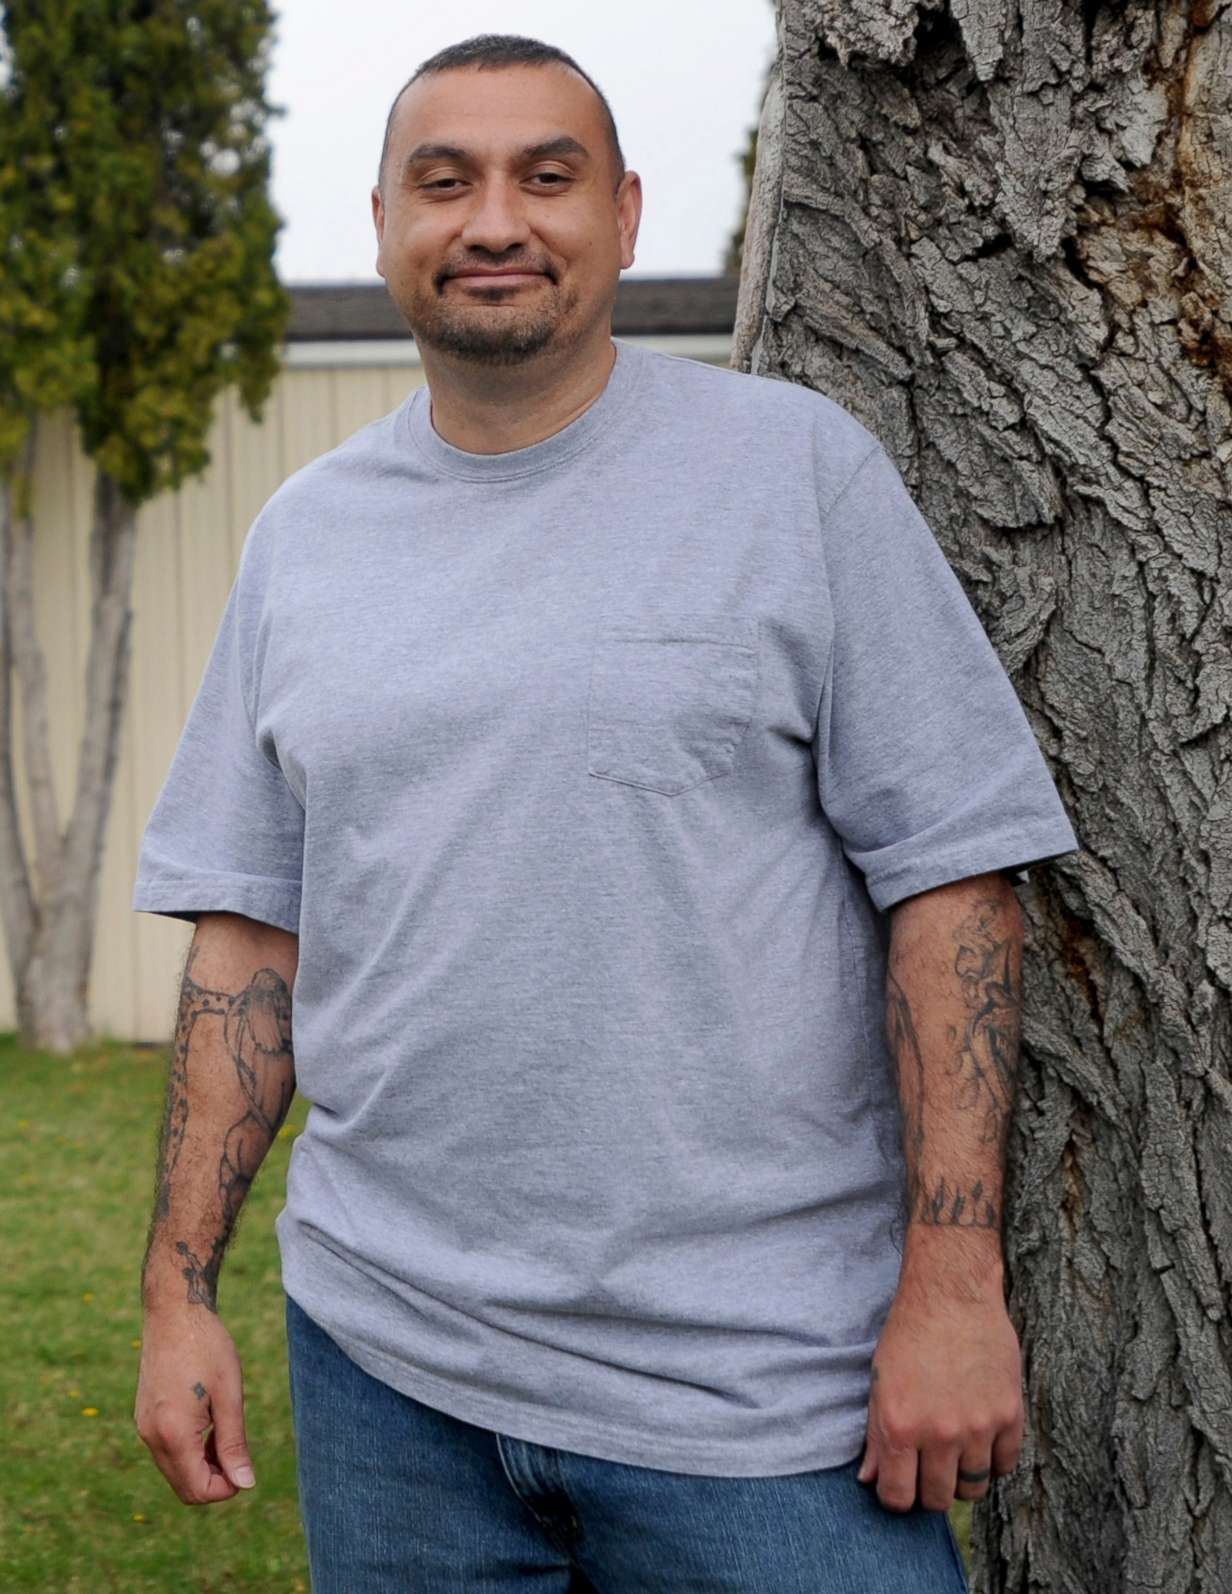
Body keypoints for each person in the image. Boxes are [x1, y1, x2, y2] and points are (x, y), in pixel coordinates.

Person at [127, 31, 1080, 1594]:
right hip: (392, 1373)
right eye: (446, 181)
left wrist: (956, 1280)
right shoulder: (305, 542)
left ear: (625, 216)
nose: (493, 219)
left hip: (766, 1398)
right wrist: (179, 1292)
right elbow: (250, 934)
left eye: (544, 176)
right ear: (383, 223)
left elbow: (955, 885)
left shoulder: (796, 478)